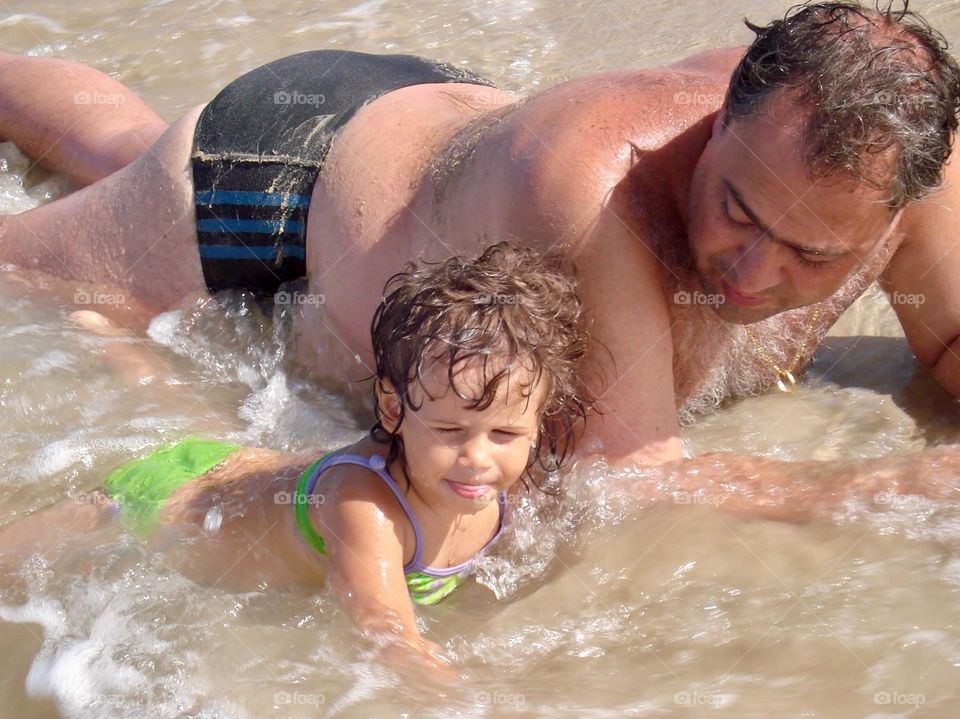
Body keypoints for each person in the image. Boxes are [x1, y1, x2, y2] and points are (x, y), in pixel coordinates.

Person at [0, 1, 959, 484]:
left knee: (118, 146)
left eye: (815, 257)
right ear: (718, 121)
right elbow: (633, 485)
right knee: (19, 259)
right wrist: (896, 490)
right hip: (274, 184)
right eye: (739, 213)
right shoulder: (598, 188)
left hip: (437, 142)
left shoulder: (913, 163)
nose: (754, 272)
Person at [0, 243, 594, 672]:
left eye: (504, 435)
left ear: (538, 420)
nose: (477, 459)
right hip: (169, 507)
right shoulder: (364, 507)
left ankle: (118, 349)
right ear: (392, 409)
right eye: (447, 429)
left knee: (182, 418)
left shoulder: (505, 481)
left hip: (242, 468)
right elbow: (385, 633)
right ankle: (98, 331)